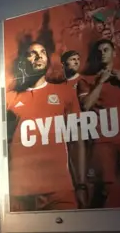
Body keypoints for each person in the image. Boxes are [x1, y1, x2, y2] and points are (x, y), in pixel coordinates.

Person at [6, 24, 87, 211]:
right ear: (23, 62)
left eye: (42, 52)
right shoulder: (11, 98)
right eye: (32, 53)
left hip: (58, 189)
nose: (39, 56)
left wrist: (81, 183)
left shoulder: (64, 92)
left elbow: (78, 140)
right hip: (20, 191)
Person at [78, 39, 120, 207]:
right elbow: (86, 106)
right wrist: (100, 81)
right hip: (102, 141)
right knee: (103, 189)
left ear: (114, 53)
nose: (102, 53)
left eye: (106, 49)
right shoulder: (86, 80)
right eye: (99, 51)